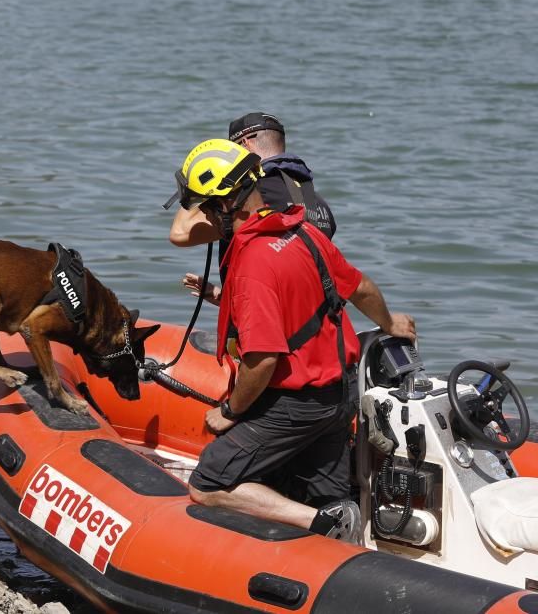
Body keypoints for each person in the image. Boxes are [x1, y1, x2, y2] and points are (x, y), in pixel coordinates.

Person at [164, 139, 416, 543]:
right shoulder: (305, 233)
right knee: (324, 495)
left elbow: (261, 361)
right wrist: (390, 323)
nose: (208, 218)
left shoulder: (252, 264)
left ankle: (324, 526)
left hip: (293, 407)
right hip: (338, 396)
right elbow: (362, 287)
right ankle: (333, 532)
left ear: (230, 204)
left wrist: (229, 410)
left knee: (208, 484)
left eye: (209, 207)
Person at [168, 112, 334, 304]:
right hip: (315, 322)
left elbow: (179, 233)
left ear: (246, 145)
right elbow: (289, 291)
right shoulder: (315, 199)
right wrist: (221, 296)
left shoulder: (253, 196)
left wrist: (198, 177)